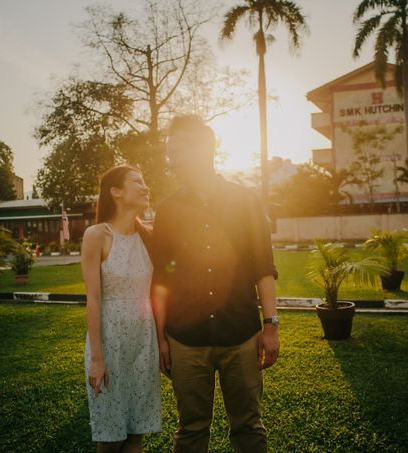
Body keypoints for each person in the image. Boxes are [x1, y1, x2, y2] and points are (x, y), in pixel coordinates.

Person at [151, 115, 280, 453]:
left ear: (203, 149)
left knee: (248, 427)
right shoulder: (167, 210)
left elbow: (264, 268)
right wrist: (161, 338)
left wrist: (271, 326)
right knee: (191, 430)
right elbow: (161, 278)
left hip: (242, 334)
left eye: (177, 151)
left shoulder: (245, 200)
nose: (171, 160)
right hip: (185, 340)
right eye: (169, 152)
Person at [82, 165, 161, 453]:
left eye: (145, 182)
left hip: (144, 340)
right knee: (111, 436)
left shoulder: (149, 237)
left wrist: (162, 342)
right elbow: (93, 298)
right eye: (137, 182)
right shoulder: (97, 235)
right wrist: (97, 359)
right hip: (110, 341)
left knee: (136, 433)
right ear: (116, 191)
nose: (145, 187)